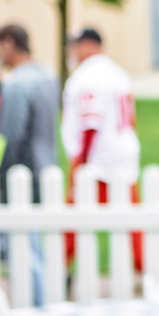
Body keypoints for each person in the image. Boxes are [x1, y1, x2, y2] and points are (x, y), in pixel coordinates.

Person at [61, 27, 143, 271]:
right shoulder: (117, 73)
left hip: (97, 160)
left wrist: (80, 162)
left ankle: (61, 268)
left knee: (74, 219)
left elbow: (90, 123)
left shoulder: (87, 76)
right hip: (123, 155)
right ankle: (144, 272)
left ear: (88, 45)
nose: (73, 51)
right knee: (132, 221)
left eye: (76, 45)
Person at [0, 25, 59, 206]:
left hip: (22, 173)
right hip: (48, 165)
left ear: (8, 44)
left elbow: (9, 137)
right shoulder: (49, 77)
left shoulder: (15, 83)